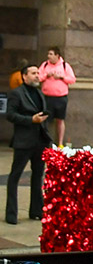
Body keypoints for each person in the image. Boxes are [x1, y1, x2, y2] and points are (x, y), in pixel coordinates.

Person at [6, 64, 52, 224]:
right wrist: (30, 120)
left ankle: (36, 211)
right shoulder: (16, 93)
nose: (37, 75)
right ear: (24, 76)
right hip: (23, 141)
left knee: (38, 176)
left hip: (40, 141)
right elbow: (10, 115)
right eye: (33, 73)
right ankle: (11, 214)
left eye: (38, 72)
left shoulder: (39, 93)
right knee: (15, 176)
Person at [37, 46, 76, 149]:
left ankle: (60, 143)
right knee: (45, 120)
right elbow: (38, 78)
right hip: (47, 97)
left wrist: (62, 77)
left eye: (51, 54)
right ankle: (46, 142)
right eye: (48, 54)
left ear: (57, 55)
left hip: (60, 97)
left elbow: (72, 79)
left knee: (60, 120)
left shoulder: (65, 66)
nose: (48, 56)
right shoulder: (45, 65)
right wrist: (46, 75)